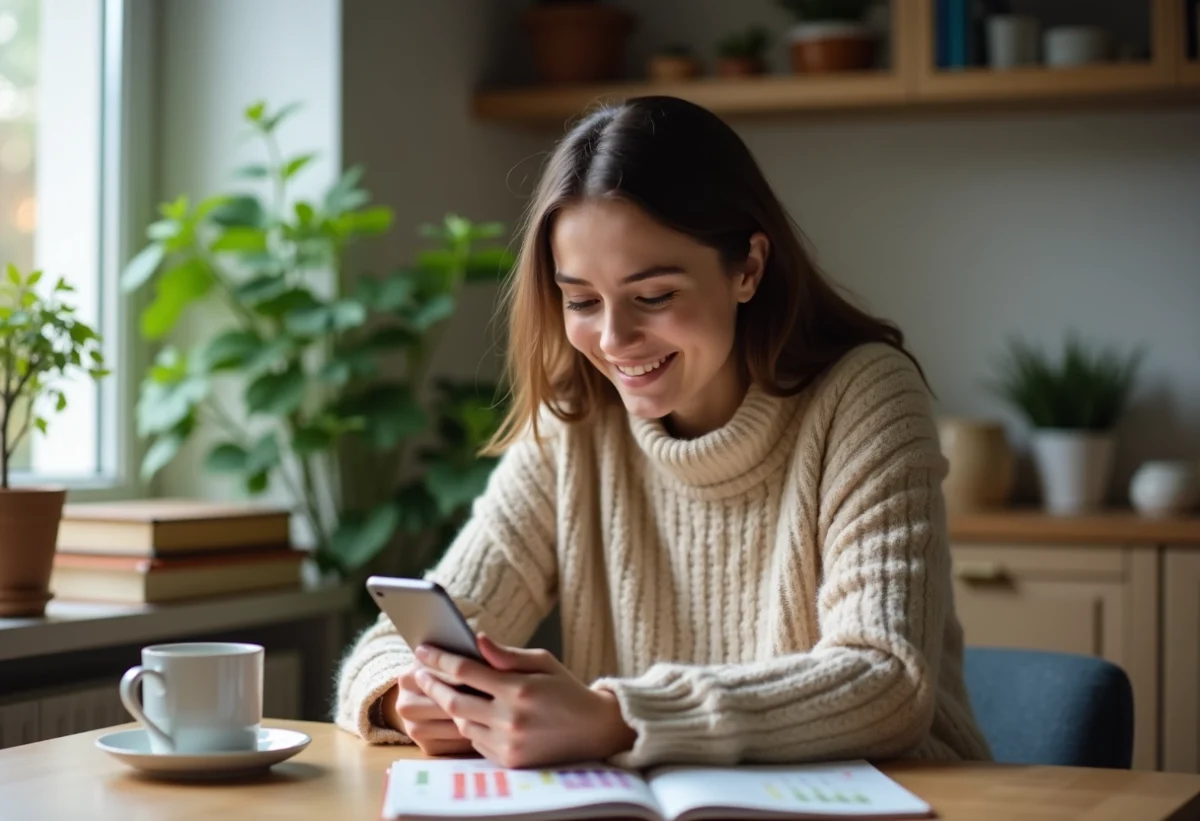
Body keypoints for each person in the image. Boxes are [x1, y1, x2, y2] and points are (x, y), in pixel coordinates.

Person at [334, 95, 992, 770]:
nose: (615, 340)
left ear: (748, 269)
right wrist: (409, 696)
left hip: (895, 800)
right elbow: (396, 640)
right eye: (583, 300)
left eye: (653, 296)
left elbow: (885, 680)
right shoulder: (578, 424)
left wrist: (616, 718)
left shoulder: (864, 394)